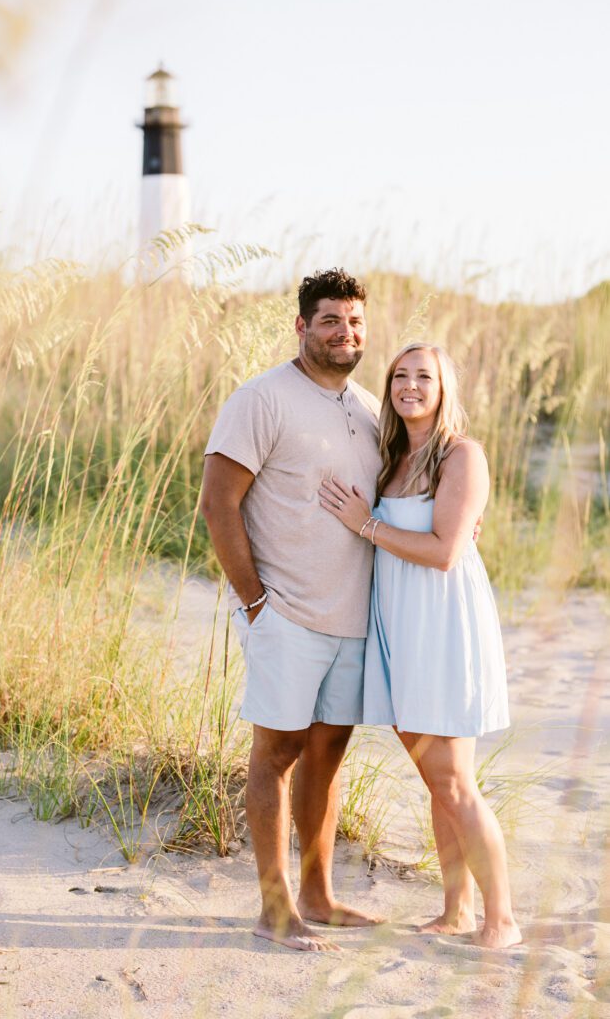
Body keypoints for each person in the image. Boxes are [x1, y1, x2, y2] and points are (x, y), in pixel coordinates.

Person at [201, 269, 385, 952]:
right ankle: (274, 908)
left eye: (356, 322)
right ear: (301, 326)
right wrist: (255, 603)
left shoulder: (366, 406)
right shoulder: (260, 399)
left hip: (351, 619)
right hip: (285, 614)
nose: (345, 332)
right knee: (275, 753)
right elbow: (218, 503)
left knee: (327, 757)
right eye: (331, 320)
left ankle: (319, 895)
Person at [319, 341, 522, 950]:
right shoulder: (392, 460)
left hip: (442, 629)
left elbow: (445, 552)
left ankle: (502, 920)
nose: (410, 385)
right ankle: (456, 911)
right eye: (400, 376)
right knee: (438, 783)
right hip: (401, 632)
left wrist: (367, 525)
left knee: (456, 781)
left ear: (443, 388)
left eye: (423, 376)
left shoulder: (462, 456)